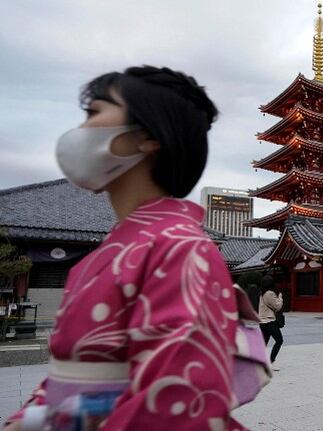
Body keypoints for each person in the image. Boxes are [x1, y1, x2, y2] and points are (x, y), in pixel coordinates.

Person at [4, 66, 245, 430]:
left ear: (148, 135)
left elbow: (176, 398)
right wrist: (26, 421)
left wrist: (45, 423)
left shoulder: (179, 246)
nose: (81, 130)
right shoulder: (109, 251)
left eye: (94, 112)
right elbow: (68, 371)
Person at [258, 275, 283, 371]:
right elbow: (278, 306)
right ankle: (271, 361)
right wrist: (280, 297)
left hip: (262, 321)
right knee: (279, 340)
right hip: (269, 321)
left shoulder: (262, 293)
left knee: (264, 342)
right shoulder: (269, 294)